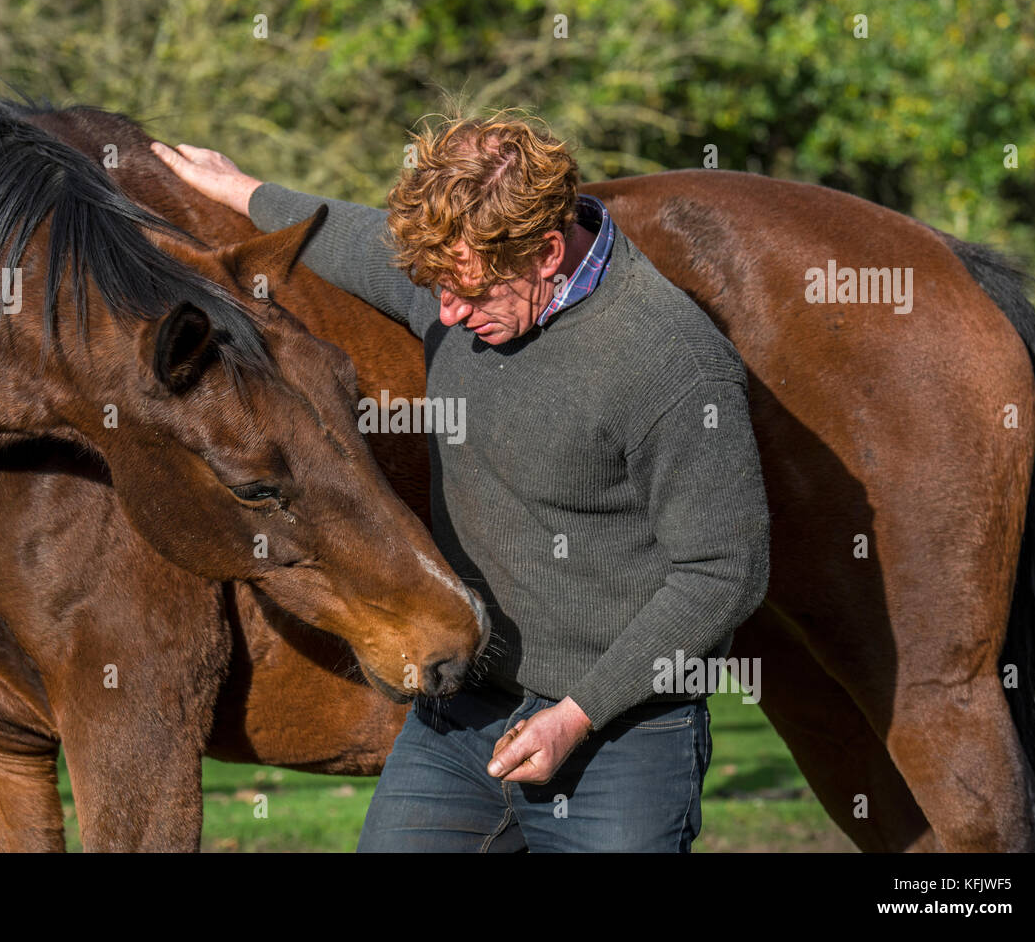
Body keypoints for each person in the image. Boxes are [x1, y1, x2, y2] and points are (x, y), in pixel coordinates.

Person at [151, 112, 771, 852]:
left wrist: (577, 713)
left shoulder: (672, 362)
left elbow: (724, 572)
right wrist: (243, 189)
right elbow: (349, 237)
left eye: (468, 294)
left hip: (621, 737)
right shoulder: (471, 274)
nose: (443, 313)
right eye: (435, 286)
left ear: (547, 252)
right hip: (461, 719)